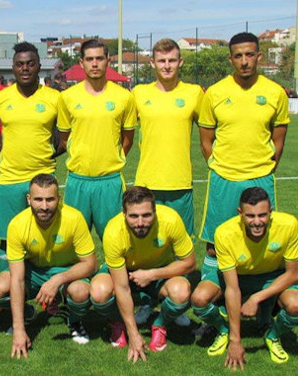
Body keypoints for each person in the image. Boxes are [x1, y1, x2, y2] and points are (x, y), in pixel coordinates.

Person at [196, 32, 290, 348]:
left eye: (250, 54)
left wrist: (262, 169)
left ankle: (265, 308)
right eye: (238, 55)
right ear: (231, 59)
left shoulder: (275, 93)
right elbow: (206, 140)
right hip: (223, 180)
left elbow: (278, 140)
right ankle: (220, 315)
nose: (244, 61)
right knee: (214, 246)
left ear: (259, 57)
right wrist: (222, 168)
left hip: (260, 179)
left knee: (264, 244)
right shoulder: (216, 93)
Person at [131, 39, 203, 326]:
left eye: (172, 60)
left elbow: (210, 131)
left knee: (179, 248)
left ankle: (176, 305)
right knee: (145, 246)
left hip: (180, 184)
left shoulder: (195, 94)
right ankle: (146, 302)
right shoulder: (138, 94)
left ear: (181, 62)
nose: (167, 66)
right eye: (161, 61)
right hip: (146, 184)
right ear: (152, 64)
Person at [192, 187, 298, 369]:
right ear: (240, 213)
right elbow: (232, 288)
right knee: (199, 299)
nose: (257, 222)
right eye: (250, 216)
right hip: (237, 277)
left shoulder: (289, 225)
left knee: (297, 305)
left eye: (262, 215)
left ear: (271, 212)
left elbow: (293, 274)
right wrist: (236, 340)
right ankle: (224, 329)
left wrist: (256, 298)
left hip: (272, 276)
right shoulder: (224, 233)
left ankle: (272, 335)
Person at [0, 174, 96, 358]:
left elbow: (90, 264)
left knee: (81, 291)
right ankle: (26, 314)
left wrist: (58, 279)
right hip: (32, 272)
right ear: (29, 199)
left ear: (59, 198)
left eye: (50, 199)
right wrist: (18, 329)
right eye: (38, 199)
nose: (44, 206)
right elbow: (16, 278)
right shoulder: (17, 225)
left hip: (65, 270)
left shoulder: (74, 218)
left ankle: (74, 320)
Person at [0, 42, 61, 295]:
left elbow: (66, 133)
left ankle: (45, 288)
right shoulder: (0, 99)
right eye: (20, 64)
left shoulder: (54, 98)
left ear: (39, 66)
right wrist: (4, 148)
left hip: (43, 178)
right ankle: (7, 290)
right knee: (8, 237)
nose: (25, 68)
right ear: (13, 68)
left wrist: (52, 152)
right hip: (10, 178)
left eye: (30, 63)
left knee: (46, 233)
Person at [91, 186, 195, 361]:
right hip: (125, 271)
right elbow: (122, 288)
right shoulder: (113, 231)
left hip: (159, 271)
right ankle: (118, 322)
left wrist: (152, 274)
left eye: (146, 215)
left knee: (182, 292)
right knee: (99, 292)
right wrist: (134, 334)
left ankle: (160, 324)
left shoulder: (170, 220)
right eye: (133, 216)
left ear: (155, 211)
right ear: (124, 214)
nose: (140, 222)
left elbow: (190, 263)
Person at [57, 39, 136, 241]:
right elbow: (65, 139)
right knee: (72, 240)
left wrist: (109, 158)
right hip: (77, 180)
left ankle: (115, 274)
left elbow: (128, 139)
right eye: (89, 59)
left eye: (99, 58)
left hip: (110, 181)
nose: (94, 64)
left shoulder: (124, 97)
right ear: (81, 62)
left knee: (116, 240)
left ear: (108, 61)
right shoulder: (67, 97)